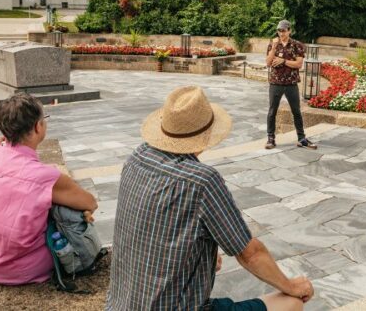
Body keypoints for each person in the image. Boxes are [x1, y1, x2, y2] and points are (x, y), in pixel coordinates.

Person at [107, 86, 313, 311]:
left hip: (121, 306)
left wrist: (206, 256)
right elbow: (250, 254)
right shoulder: (201, 180)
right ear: (206, 135)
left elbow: (154, 228)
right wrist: (292, 286)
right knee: (291, 303)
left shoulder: (137, 157)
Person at [0, 94, 98, 285]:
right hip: (22, 271)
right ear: (37, 127)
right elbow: (90, 203)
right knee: (66, 208)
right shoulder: (45, 176)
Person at [265, 20, 316, 150]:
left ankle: (301, 139)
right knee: (272, 111)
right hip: (276, 82)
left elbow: (298, 64)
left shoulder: (297, 45)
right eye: (279, 31)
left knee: (296, 111)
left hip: (291, 83)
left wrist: (283, 61)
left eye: (283, 30)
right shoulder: (272, 44)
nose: (281, 33)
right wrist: (274, 48)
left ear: (289, 31)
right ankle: (271, 139)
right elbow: (268, 62)